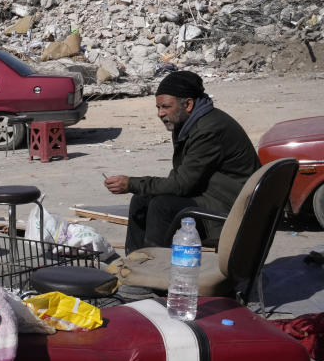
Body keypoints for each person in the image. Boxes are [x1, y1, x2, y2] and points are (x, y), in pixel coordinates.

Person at [104, 70, 261, 254]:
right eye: (158, 108)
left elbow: (182, 184)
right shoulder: (187, 124)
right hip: (212, 195)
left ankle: (155, 270)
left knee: (162, 206)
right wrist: (138, 187)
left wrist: (131, 183)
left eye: (165, 107)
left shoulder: (207, 130)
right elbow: (183, 176)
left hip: (230, 207)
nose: (160, 114)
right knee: (141, 199)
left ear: (187, 104)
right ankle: (136, 263)